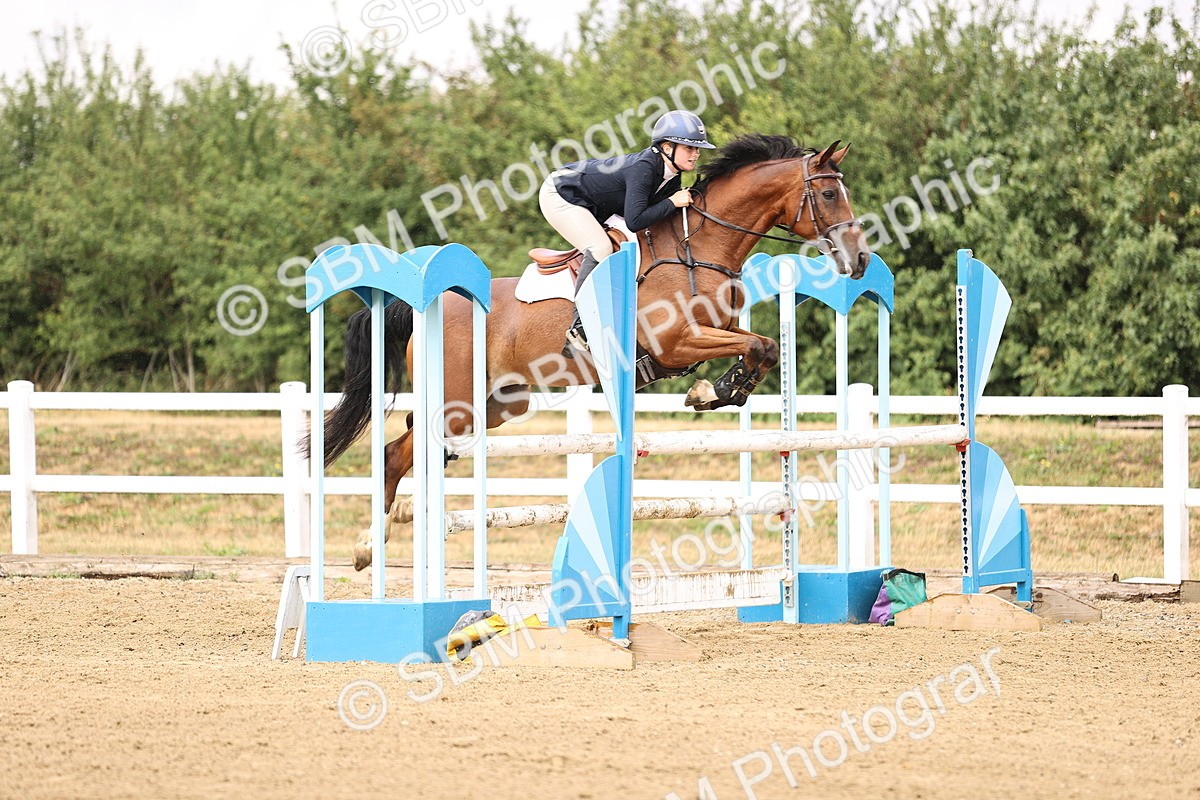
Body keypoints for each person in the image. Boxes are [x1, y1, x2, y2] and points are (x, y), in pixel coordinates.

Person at [539, 109, 716, 356]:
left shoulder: (673, 176)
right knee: (600, 247)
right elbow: (635, 221)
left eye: (697, 149)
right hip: (562, 194)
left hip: (599, 204)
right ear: (667, 148)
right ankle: (579, 327)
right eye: (689, 148)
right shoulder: (644, 168)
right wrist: (672, 203)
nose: (696, 154)